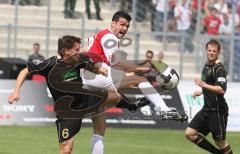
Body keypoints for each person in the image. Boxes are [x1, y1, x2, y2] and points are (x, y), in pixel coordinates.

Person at [8, 35, 148, 154]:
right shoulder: (50, 64)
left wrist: (99, 70)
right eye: (76, 49)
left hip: (85, 98)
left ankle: (131, 105)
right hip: (67, 111)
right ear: (65, 51)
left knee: (115, 96)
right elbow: (24, 71)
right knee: (66, 149)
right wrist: (16, 91)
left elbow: (92, 66)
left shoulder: (78, 59)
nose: (79, 51)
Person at [82, 11, 181, 116]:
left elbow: (83, 51)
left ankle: (132, 105)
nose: (125, 28)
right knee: (140, 80)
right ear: (112, 24)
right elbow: (116, 63)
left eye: (127, 26)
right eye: (122, 24)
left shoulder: (99, 35)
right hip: (96, 75)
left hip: (88, 77)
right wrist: (140, 68)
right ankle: (165, 110)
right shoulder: (110, 38)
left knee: (103, 111)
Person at [185, 40, 233, 154]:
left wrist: (203, 85)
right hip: (206, 109)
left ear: (218, 52)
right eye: (209, 50)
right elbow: (211, 84)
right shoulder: (207, 65)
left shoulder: (219, 69)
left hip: (217, 110)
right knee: (190, 133)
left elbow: (221, 89)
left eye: (214, 51)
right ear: (206, 51)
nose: (211, 53)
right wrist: (201, 91)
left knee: (220, 142)